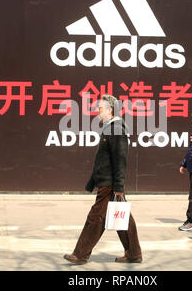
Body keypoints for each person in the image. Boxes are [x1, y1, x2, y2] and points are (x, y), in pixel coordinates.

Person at [64, 94, 142, 265]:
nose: (97, 111)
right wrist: (93, 181)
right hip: (107, 182)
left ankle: (81, 254)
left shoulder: (117, 129)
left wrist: (119, 185)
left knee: (95, 218)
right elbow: (103, 159)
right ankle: (134, 254)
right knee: (123, 219)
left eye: (100, 108)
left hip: (110, 184)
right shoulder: (109, 128)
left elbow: (120, 159)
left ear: (110, 109)